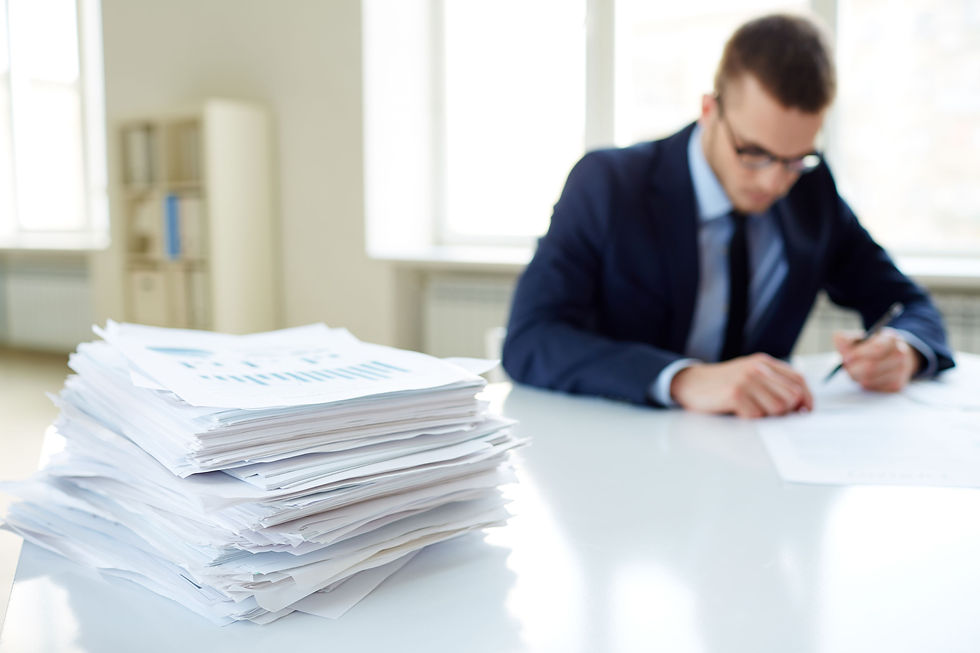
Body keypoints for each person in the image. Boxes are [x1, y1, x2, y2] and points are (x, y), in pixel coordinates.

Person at [501, 13, 954, 419]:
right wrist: (684, 378)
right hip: (622, 455)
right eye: (754, 153)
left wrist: (904, 351)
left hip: (761, 464)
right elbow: (530, 339)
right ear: (709, 110)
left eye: (797, 158)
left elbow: (911, 307)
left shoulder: (812, 190)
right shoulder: (610, 184)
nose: (774, 182)